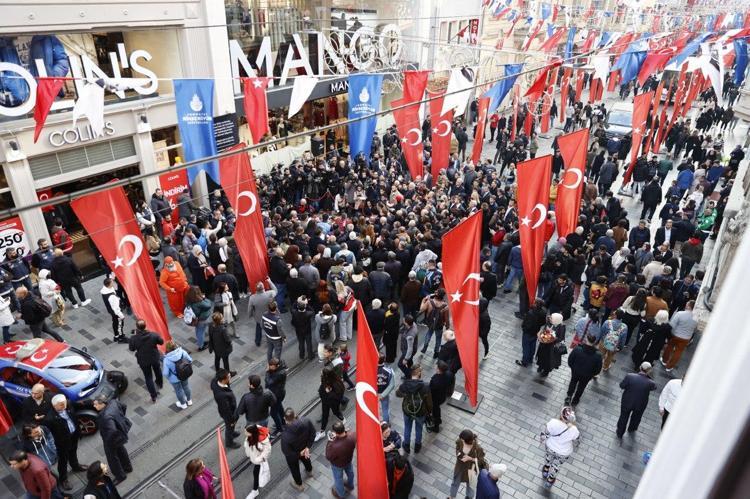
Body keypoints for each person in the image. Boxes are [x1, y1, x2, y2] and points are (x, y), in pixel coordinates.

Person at [44, 395, 86, 490]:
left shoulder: (68, 405)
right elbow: (49, 434)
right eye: (61, 405)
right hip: (62, 442)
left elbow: (77, 404)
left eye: (64, 403)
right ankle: (63, 479)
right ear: (54, 405)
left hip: (74, 435)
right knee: (63, 460)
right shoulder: (49, 419)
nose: (64, 406)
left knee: (73, 452)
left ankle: (75, 466)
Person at [92, 396, 132, 485]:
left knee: (112, 458)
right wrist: (120, 419)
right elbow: (124, 406)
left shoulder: (105, 416)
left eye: (96, 404)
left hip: (111, 439)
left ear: (102, 404)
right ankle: (128, 467)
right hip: (120, 432)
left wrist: (108, 441)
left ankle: (120, 476)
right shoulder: (113, 402)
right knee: (121, 450)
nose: (94, 406)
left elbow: (112, 430)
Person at [540, 406, 580, 489]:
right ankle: (550, 481)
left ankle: (546, 470)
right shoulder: (574, 430)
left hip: (551, 447)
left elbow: (545, 434)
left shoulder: (553, 422)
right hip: (564, 452)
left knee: (548, 458)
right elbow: (577, 442)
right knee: (556, 466)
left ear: (561, 415)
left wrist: (542, 439)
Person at [396, 365, 432, 454]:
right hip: (420, 412)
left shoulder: (405, 384)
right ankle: (417, 446)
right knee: (419, 429)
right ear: (419, 373)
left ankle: (406, 445)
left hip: (407, 411)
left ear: (411, 373)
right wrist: (429, 411)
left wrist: (405, 395)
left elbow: (397, 394)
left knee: (407, 428)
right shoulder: (425, 386)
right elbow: (429, 402)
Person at [616, 362, 657, 438]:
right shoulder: (651, 383)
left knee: (623, 417)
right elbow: (654, 388)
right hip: (640, 404)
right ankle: (632, 428)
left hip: (627, 401)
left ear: (640, 367)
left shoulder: (629, 376)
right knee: (636, 417)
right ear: (649, 371)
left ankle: (620, 432)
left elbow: (622, 385)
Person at [127, 319, 164, 403]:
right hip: (154, 357)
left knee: (148, 377)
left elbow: (131, 349)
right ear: (145, 326)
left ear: (137, 328)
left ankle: (153, 396)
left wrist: (133, 336)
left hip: (143, 360)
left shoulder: (134, 338)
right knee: (157, 370)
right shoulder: (153, 335)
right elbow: (161, 342)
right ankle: (159, 384)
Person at [280, 408, 316, 492]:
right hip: (304, 447)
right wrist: (307, 447)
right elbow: (313, 433)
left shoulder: (285, 436)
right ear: (295, 415)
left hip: (295, 453)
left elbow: (287, 452)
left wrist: (300, 453)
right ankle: (309, 471)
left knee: (294, 468)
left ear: (285, 419)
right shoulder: (306, 421)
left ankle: (299, 484)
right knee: (306, 458)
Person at [566, 334, 603, 406]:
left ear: (586, 340)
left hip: (575, 372)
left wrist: (573, 368)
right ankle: (575, 400)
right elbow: (598, 369)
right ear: (595, 342)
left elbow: (570, 360)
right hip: (587, 375)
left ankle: (569, 397)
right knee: (582, 387)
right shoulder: (598, 355)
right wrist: (591, 374)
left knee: (573, 382)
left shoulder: (577, 349)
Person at [449, 429, 487, 499]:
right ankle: (451, 496)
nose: (461, 441)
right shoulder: (460, 441)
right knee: (455, 482)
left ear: (467, 441)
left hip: (471, 469)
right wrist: (459, 455)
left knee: (471, 486)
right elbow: (457, 448)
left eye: (463, 440)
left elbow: (481, 461)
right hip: (460, 467)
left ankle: (469, 497)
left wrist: (470, 458)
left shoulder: (477, 448)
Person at [662, 300, 697, 372]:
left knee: (669, 347)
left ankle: (664, 361)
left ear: (689, 306)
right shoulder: (696, 318)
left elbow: (672, 324)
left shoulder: (680, 313)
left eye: (687, 304)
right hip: (686, 338)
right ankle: (669, 367)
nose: (685, 305)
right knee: (678, 352)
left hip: (675, 335)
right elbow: (695, 329)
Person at [325, 421, 356, 498]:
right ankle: (350, 485)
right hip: (348, 461)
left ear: (336, 433)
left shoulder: (334, 446)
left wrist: (329, 441)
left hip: (337, 465)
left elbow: (328, 456)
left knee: (338, 479)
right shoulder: (352, 436)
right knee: (350, 473)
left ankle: (341, 494)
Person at [210, 369, 240, 449]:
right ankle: (229, 442)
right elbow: (226, 410)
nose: (230, 377)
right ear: (223, 380)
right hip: (228, 414)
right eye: (228, 377)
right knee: (229, 427)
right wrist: (232, 420)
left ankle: (232, 432)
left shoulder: (215, 381)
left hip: (228, 410)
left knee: (231, 427)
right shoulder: (221, 396)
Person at [316, 366, 346, 441]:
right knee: (325, 415)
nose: (320, 373)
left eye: (322, 372)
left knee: (335, 412)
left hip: (332, 402)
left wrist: (329, 392)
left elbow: (338, 395)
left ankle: (343, 419)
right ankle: (322, 431)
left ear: (327, 375)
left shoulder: (336, 383)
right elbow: (322, 386)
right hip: (325, 401)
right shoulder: (324, 378)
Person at [162, 340, 193, 410]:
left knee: (178, 390)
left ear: (167, 349)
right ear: (176, 346)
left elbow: (166, 373)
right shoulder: (182, 352)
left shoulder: (166, 359)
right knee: (186, 387)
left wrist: (169, 378)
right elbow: (190, 360)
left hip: (174, 379)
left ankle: (183, 404)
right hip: (184, 374)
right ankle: (189, 401)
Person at [244, 424, 272, 499]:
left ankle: (255, 490)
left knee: (256, 473)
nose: (244, 433)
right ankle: (255, 489)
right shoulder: (251, 436)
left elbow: (267, 451)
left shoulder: (262, 441)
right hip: (254, 457)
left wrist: (258, 459)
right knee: (256, 473)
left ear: (252, 433)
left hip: (259, 461)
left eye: (246, 432)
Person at [517, 299, 547, 367]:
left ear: (536, 304)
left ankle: (524, 361)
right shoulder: (544, 312)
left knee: (526, 347)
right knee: (532, 346)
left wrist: (524, 328)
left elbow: (526, 323)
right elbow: (543, 322)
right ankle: (530, 359)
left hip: (528, 332)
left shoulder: (531, 313)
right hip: (536, 332)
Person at [419, 288, 449, 358]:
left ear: (436, 294)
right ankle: (436, 353)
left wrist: (423, 301)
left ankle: (425, 348)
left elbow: (421, 309)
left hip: (430, 323)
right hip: (439, 325)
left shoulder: (429, 302)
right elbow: (447, 319)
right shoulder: (445, 306)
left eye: (436, 291)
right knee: (438, 339)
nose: (435, 291)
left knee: (428, 334)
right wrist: (447, 327)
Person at [247, 279, 277, 347]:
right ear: (263, 287)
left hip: (259, 317)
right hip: (269, 316)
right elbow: (275, 290)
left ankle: (258, 341)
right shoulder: (270, 294)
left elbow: (250, 308)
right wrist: (269, 281)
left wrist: (250, 315)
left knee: (258, 328)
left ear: (256, 289)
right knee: (270, 328)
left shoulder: (252, 298)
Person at [535, 313, 565, 377]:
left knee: (548, 360)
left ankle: (546, 371)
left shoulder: (561, 327)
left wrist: (552, 335)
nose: (550, 318)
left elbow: (561, 339)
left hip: (551, 348)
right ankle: (540, 366)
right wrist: (543, 334)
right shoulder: (549, 322)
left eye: (552, 318)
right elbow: (544, 330)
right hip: (544, 344)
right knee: (541, 356)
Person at [429, 360, 455, 434]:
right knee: (437, 409)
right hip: (443, 396)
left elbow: (431, 389)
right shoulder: (449, 374)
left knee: (435, 411)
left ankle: (436, 426)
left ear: (438, 369)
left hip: (435, 399)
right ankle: (438, 420)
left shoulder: (435, 380)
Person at [185, 286, 213, 351]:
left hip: (196, 319)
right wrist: (204, 298)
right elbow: (209, 305)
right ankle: (201, 346)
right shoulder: (199, 302)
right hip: (202, 320)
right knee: (200, 332)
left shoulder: (188, 299)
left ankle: (201, 342)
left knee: (198, 331)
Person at [265, 358, 288, 434]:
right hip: (276, 393)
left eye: (271, 366)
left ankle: (280, 428)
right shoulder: (278, 370)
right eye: (269, 365)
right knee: (279, 408)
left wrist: (267, 372)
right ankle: (283, 422)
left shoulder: (280, 373)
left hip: (277, 395)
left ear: (277, 366)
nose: (269, 367)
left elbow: (269, 382)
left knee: (273, 413)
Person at [100, 278, 127, 344]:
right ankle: (121, 338)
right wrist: (121, 315)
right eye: (112, 282)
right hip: (116, 313)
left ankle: (116, 336)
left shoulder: (105, 290)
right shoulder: (111, 296)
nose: (113, 283)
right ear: (109, 285)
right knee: (119, 324)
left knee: (115, 323)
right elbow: (116, 308)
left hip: (111, 311)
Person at [291, 296, 315, 360]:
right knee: (309, 343)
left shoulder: (294, 312)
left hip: (298, 331)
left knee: (301, 343)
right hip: (307, 330)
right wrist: (307, 304)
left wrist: (297, 301)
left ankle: (301, 355)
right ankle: (310, 355)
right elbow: (312, 311)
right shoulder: (308, 314)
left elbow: (292, 308)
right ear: (305, 307)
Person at [377, 354, 396, 423]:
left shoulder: (371, 369)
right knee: (385, 409)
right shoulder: (389, 370)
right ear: (384, 360)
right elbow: (392, 385)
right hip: (384, 394)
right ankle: (386, 424)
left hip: (374, 393)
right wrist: (382, 395)